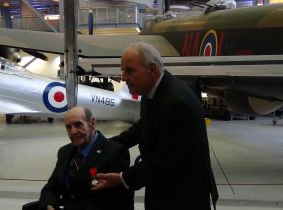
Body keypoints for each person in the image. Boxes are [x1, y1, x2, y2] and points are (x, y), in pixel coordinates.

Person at [91, 42, 219, 210]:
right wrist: (104, 147)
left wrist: (123, 178)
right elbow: (142, 128)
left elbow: (164, 162)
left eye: (129, 70)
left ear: (152, 70)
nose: (123, 77)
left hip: (182, 195)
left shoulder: (177, 103)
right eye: (122, 70)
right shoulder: (152, 90)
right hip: (164, 186)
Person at [23, 106, 134, 210]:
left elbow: (120, 203)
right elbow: (52, 187)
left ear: (92, 123)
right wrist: (49, 206)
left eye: (78, 124)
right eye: (68, 127)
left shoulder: (114, 152)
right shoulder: (65, 152)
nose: (73, 131)